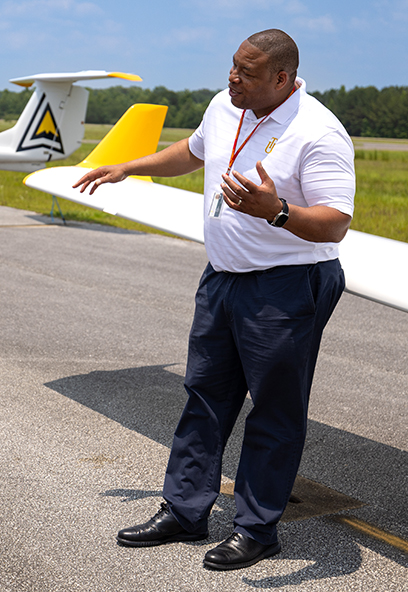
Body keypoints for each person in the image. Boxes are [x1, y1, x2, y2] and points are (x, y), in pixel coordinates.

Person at [74, 29, 354, 571]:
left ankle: (256, 528)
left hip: (287, 285)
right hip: (224, 276)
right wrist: (129, 167)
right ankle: (183, 511)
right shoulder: (227, 106)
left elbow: (335, 224)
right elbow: (192, 151)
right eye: (231, 66)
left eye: (246, 73)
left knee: (274, 408)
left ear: (281, 78)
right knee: (204, 394)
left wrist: (275, 211)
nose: (232, 78)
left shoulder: (319, 132)